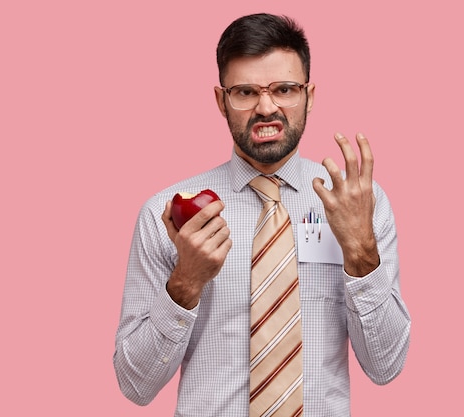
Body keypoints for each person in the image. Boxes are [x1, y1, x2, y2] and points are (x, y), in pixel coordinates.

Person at [113, 13, 410, 416]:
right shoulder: (166, 216)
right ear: (221, 100)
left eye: (285, 89)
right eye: (245, 92)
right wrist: (185, 283)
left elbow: (386, 367)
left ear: (310, 95)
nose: (266, 107)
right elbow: (135, 385)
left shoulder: (359, 204)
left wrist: (360, 253)